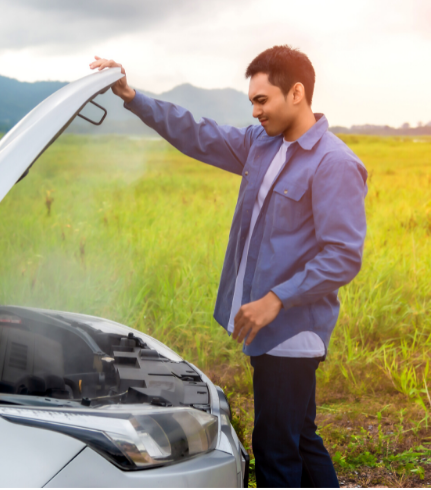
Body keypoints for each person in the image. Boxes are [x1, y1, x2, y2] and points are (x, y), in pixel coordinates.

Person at [90, 46, 367, 488]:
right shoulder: (261, 144)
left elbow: (343, 255)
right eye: (252, 102)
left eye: (262, 100)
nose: (255, 111)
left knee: (276, 449)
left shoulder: (334, 163)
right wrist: (132, 96)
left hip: (292, 334)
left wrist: (276, 299)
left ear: (297, 93)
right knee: (299, 437)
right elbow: (197, 133)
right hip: (268, 329)